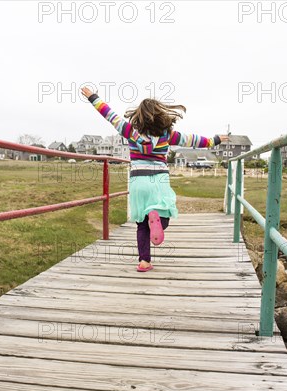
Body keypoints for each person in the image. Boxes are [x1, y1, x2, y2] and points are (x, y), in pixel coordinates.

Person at [81, 87, 227, 272]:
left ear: (138, 116)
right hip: (159, 181)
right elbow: (193, 140)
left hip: (138, 182)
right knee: (163, 214)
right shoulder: (168, 135)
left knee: (141, 224)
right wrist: (214, 140)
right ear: (160, 116)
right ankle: (158, 221)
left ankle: (144, 261)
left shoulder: (129, 131)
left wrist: (93, 97)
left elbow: (109, 115)